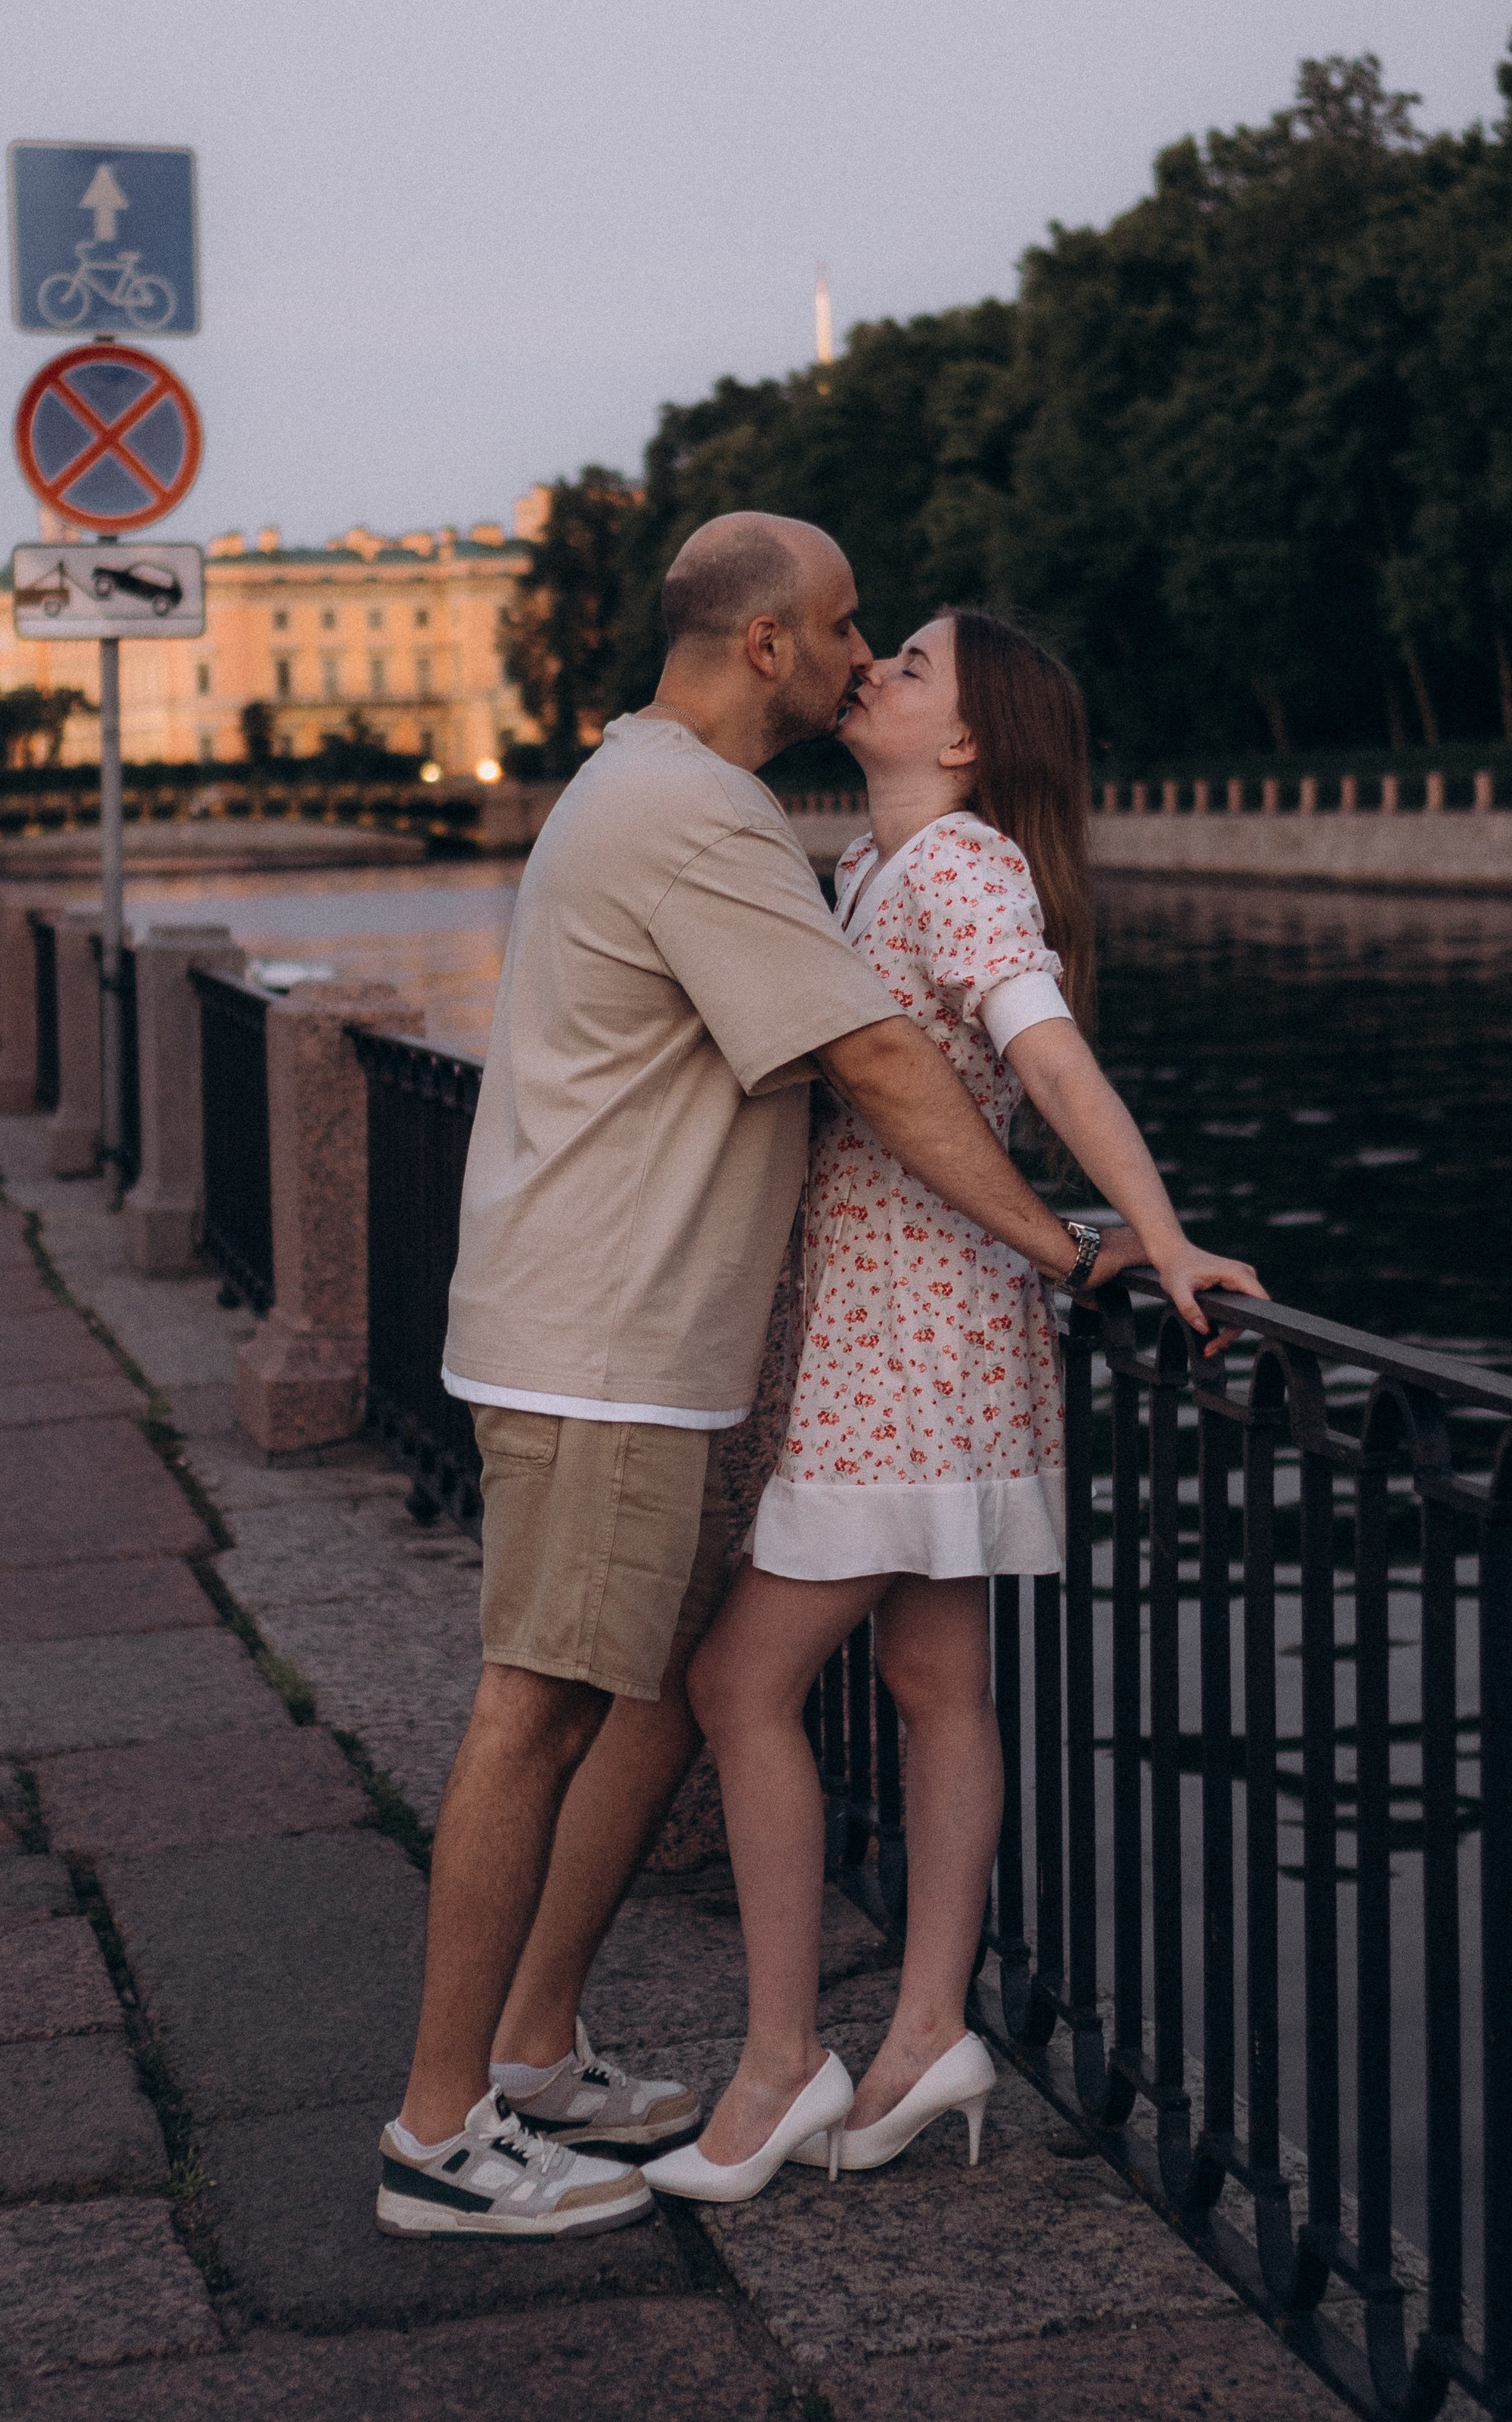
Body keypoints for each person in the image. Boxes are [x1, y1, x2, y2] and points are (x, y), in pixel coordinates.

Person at [377, 524, 1139, 2239]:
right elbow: (871, 1055)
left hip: (657, 1339)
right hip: (607, 1344)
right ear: (773, 647)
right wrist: (1063, 1244)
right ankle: (438, 2135)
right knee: (543, 1704)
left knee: (653, 1693)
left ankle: (537, 2046)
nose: (867, 651)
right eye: (851, 625)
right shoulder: (704, 818)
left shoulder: (655, 787)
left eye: (900, 644)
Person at [645, 609, 1265, 2205]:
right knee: (932, 1680)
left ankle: (782, 2063)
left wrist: (1161, 1229)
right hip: (900, 1334)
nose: (873, 670)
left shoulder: (962, 867)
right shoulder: (868, 863)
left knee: (734, 1682)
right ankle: (926, 2032)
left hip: (908, 1347)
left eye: (909, 665)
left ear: (971, 739)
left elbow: (1045, 1057)